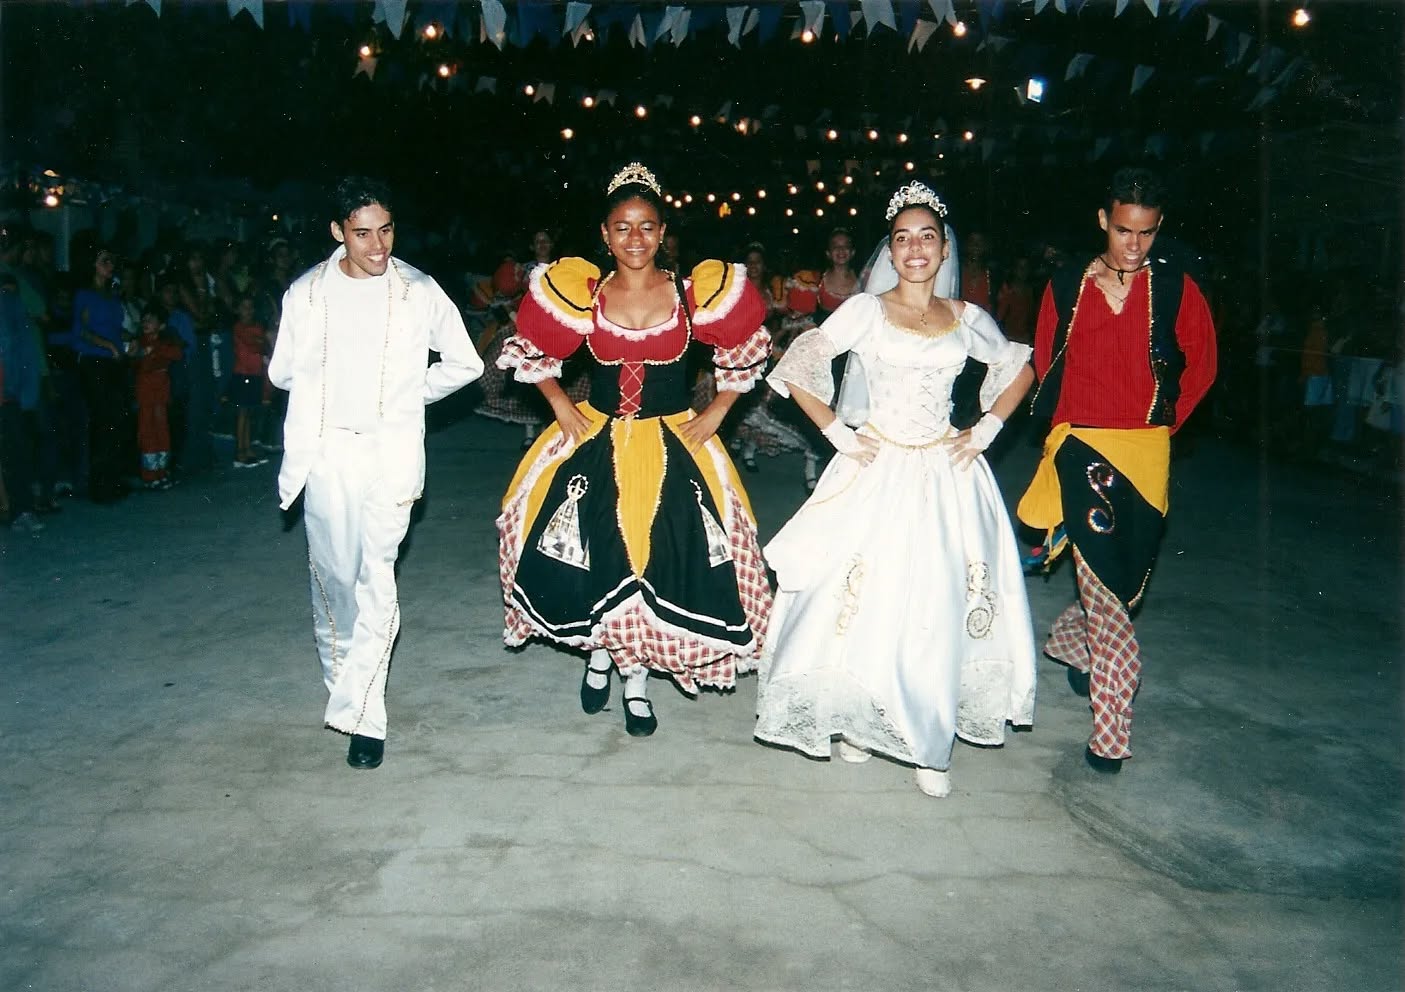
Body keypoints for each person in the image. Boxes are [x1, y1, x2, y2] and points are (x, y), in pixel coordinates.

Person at [753, 182, 1036, 798]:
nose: (915, 249)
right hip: (877, 467)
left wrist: (986, 428)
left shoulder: (967, 317)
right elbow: (799, 364)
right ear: (890, 249)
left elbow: (1019, 367)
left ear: (944, 249)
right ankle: (862, 717)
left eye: (926, 237)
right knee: (866, 598)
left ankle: (929, 745)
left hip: (946, 474)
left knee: (934, 603)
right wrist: (838, 432)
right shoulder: (866, 310)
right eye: (902, 238)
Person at [496, 162, 774, 737]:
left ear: (663, 231)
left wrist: (717, 411)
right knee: (602, 549)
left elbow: (746, 348)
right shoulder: (583, 293)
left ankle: (637, 683)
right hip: (598, 436)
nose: (635, 238)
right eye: (622, 227)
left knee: (659, 556)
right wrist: (560, 405)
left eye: (647, 226)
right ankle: (602, 653)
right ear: (605, 234)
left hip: (673, 439)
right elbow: (531, 349)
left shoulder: (694, 293)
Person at [268, 177, 483, 770]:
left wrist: (411, 392)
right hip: (329, 455)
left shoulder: (418, 290)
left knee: (376, 578)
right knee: (336, 579)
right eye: (362, 233)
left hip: (391, 454)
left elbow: (466, 363)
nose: (378, 246)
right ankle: (346, 686)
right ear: (338, 232)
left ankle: (365, 716)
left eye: (386, 230)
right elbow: (283, 373)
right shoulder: (307, 294)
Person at [1016, 167, 1217, 774]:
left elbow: (1203, 364)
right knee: (1106, 592)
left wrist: (1162, 425)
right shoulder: (1064, 285)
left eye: (1147, 233)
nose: (1134, 244)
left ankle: (1070, 643)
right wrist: (1060, 439)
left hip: (1147, 451)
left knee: (1120, 583)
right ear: (1104, 220)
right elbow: (1048, 361)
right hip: (1082, 448)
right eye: (1124, 230)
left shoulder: (1177, 288)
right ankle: (1111, 733)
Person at [71, 248, 132, 503]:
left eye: (111, 261)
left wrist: (131, 339)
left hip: (114, 361)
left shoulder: (112, 295)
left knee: (118, 419)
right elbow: (82, 331)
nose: (110, 265)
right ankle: (99, 485)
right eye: (104, 261)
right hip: (95, 361)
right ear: (93, 266)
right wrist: (108, 346)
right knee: (102, 421)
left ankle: (114, 479)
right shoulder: (85, 295)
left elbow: (116, 329)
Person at [132, 304, 183, 490]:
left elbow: (176, 354)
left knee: (162, 429)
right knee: (147, 430)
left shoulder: (164, 342)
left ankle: (162, 471)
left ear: (161, 325)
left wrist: (155, 351)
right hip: (145, 390)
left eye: (151, 320)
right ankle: (150, 474)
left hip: (161, 391)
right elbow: (137, 362)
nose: (146, 323)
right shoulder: (139, 343)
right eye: (144, 320)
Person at [230, 295, 269, 468]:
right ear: (237, 310)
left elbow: (263, 345)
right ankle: (240, 451)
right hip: (242, 373)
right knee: (242, 412)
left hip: (255, 373)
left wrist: (259, 342)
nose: (248, 311)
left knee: (250, 412)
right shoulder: (238, 328)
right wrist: (259, 341)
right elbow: (253, 344)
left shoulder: (257, 326)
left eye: (251, 307)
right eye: (244, 307)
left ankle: (247, 448)